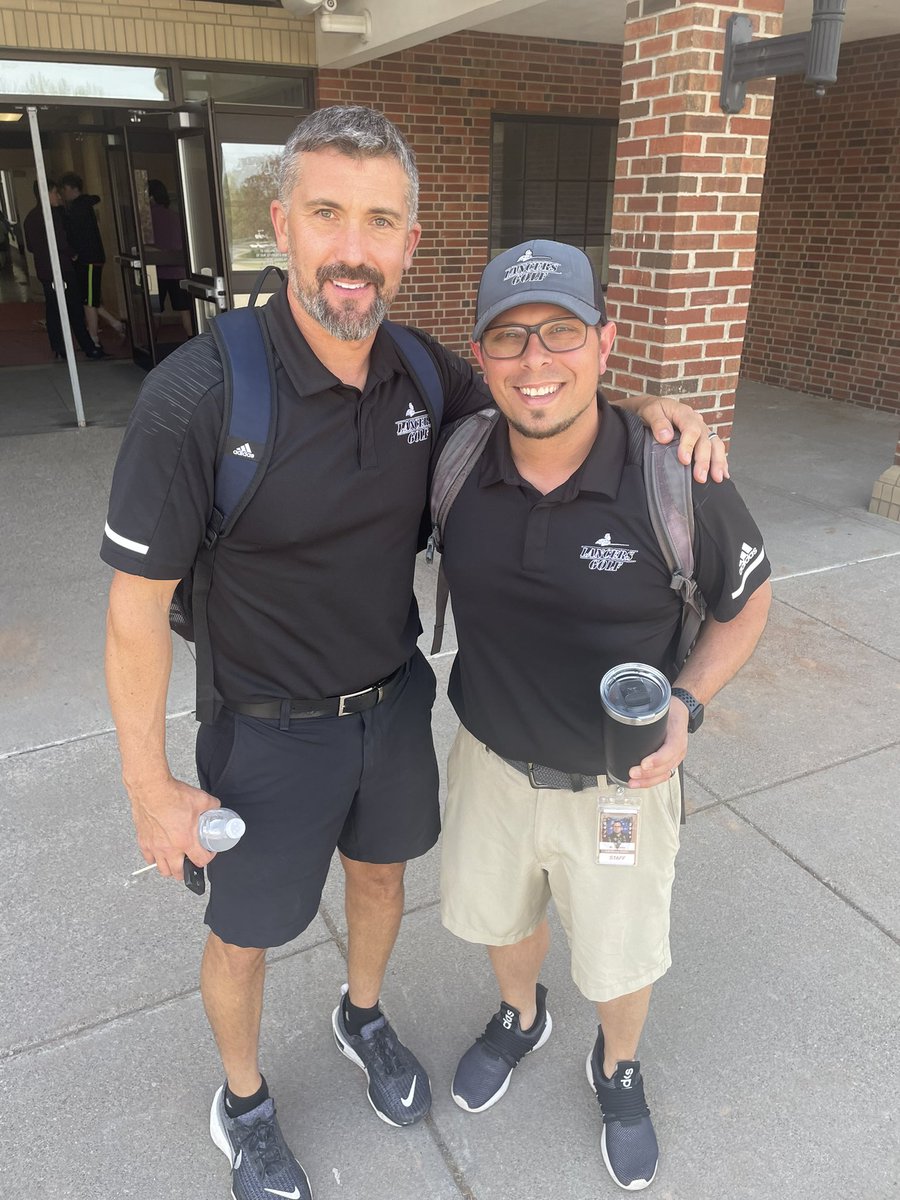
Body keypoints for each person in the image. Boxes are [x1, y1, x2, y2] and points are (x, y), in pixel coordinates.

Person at [101, 108, 725, 1200]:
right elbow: (133, 612)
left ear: (409, 243)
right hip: (261, 729)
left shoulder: (428, 377)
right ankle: (242, 1102)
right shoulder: (200, 397)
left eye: (380, 220)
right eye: (329, 214)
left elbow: (553, 399)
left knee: (382, 880)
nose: (353, 247)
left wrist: (655, 413)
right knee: (245, 933)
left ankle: (363, 1013)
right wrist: (150, 784)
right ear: (283, 223)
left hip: (390, 704)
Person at [437, 240, 772, 1191]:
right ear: (482, 356)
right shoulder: (458, 457)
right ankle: (521, 1017)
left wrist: (688, 702)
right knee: (503, 918)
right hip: (491, 765)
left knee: (622, 953)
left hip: (621, 787)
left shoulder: (674, 473)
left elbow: (748, 602)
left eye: (561, 332)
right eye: (509, 338)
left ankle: (617, 1068)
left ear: (605, 340)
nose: (535, 360)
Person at [22, 180, 104, 360]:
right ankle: (89, 346)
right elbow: (61, 242)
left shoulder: (30, 218)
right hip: (61, 269)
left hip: (44, 271)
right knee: (74, 308)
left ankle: (59, 347)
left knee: (53, 310)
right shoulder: (51, 216)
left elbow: (29, 246)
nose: (58, 196)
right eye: (55, 193)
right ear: (47, 193)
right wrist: (73, 255)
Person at [58, 171, 126, 350]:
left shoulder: (77, 209)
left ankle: (94, 338)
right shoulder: (84, 205)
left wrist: (74, 253)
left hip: (88, 259)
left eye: (64, 189)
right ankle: (115, 324)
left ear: (72, 189)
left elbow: (73, 235)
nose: (63, 194)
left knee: (88, 300)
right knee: (89, 298)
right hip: (92, 258)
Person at [147, 178, 192, 339]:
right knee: (184, 309)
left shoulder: (147, 218)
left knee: (155, 309)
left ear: (150, 196)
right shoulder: (175, 216)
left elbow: (144, 245)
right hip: (178, 270)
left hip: (155, 272)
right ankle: (192, 340)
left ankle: (152, 343)